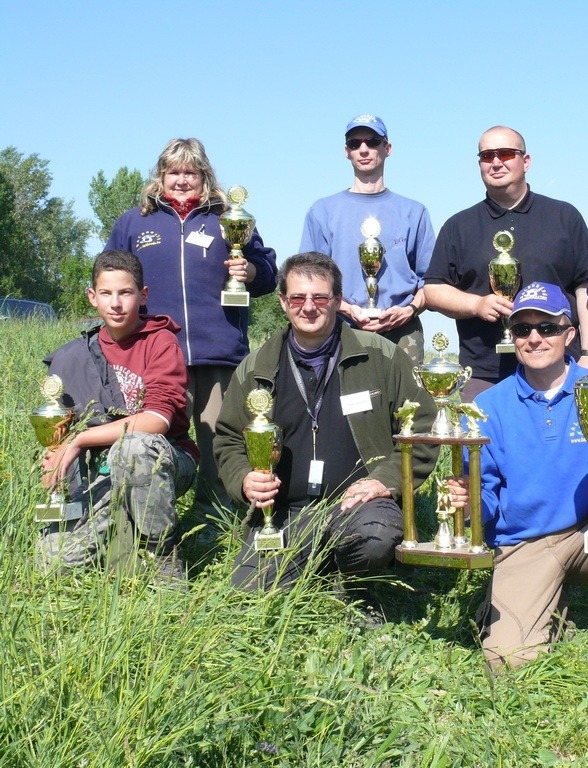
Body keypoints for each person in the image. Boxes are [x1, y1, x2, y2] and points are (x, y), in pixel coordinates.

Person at [445, 282, 588, 670]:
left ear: (569, 334)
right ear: (511, 337)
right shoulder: (486, 407)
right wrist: (468, 507)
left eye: (546, 328)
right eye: (522, 329)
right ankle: (543, 606)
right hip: (525, 542)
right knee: (507, 661)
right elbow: (488, 498)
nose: (534, 338)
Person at [213, 252, 438, 590]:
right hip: (286, 511)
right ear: (282, 302)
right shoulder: (256, 367)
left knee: (374, 537)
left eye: (320, 297)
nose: (308, 307)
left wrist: (385, 480)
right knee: (249, 591)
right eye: (297, 298)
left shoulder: (381, 356)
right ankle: (317, 568)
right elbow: (228, 440)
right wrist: (244, 479)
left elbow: (422, 428)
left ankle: (355, 586)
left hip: (360, 506)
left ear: (337, 300)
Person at [106, 138, 278, 526]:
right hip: (154, 355)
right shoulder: (135, 222)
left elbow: (268, 272)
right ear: (161, 176)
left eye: (190, 172)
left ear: (204, 176)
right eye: (174, 172)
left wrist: (249, 273)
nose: (182, 180)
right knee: (153, 438)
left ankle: (213, 520)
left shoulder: (230, 218)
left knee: (220, 440)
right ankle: (150, 521)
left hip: (219, 352)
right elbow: (110, 272)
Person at [37, 250, 198, 577]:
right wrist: (53, 460)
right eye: (106, 293)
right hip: (99, 473)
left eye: (125, 292)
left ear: (143, 295)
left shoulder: (161, 342)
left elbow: (158, 420)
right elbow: (58, 432)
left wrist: (81, 439)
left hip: (164, 459)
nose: (116, 303)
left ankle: (161, 556)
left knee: (133, 448)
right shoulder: (75, 354)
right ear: (92, 298)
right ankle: (123, 543)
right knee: (51, 564)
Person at [424, 126, 588, 400]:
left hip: (560, 368)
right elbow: (433, 290)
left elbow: (585, 288)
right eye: (487, 156)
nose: (496, 162)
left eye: (506, 153)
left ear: (525, 161)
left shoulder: (564, 217)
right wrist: (476, 304)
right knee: (486, 444)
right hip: (485, 374)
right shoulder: (458, 226)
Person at [300, 114, 435, 364]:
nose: (363, 149)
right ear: (346, 152)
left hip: (403, 333)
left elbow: (432, 281)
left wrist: (409, 309)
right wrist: (347, 309)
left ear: (387, 148)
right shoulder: (323, 211)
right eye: (355, 143)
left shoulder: (414, 212)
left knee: (407, 403)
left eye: (372, 141)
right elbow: (309, 279)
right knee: (347, 402)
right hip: (341, 328)